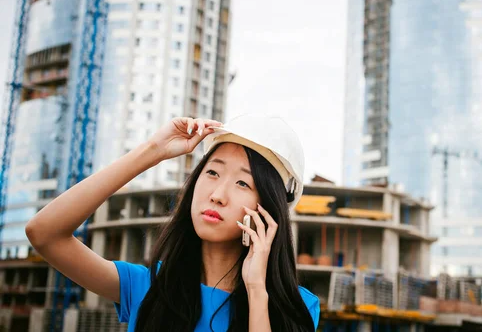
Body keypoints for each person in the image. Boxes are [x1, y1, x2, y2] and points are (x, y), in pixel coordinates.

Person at [26, 114, 320, 331]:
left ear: (268, 208)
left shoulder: (296, 308)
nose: (217, 195)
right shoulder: (147, 287)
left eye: (243, 183)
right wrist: (153, 151)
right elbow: (44, 233)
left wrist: (256, 289)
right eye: (213, 173)